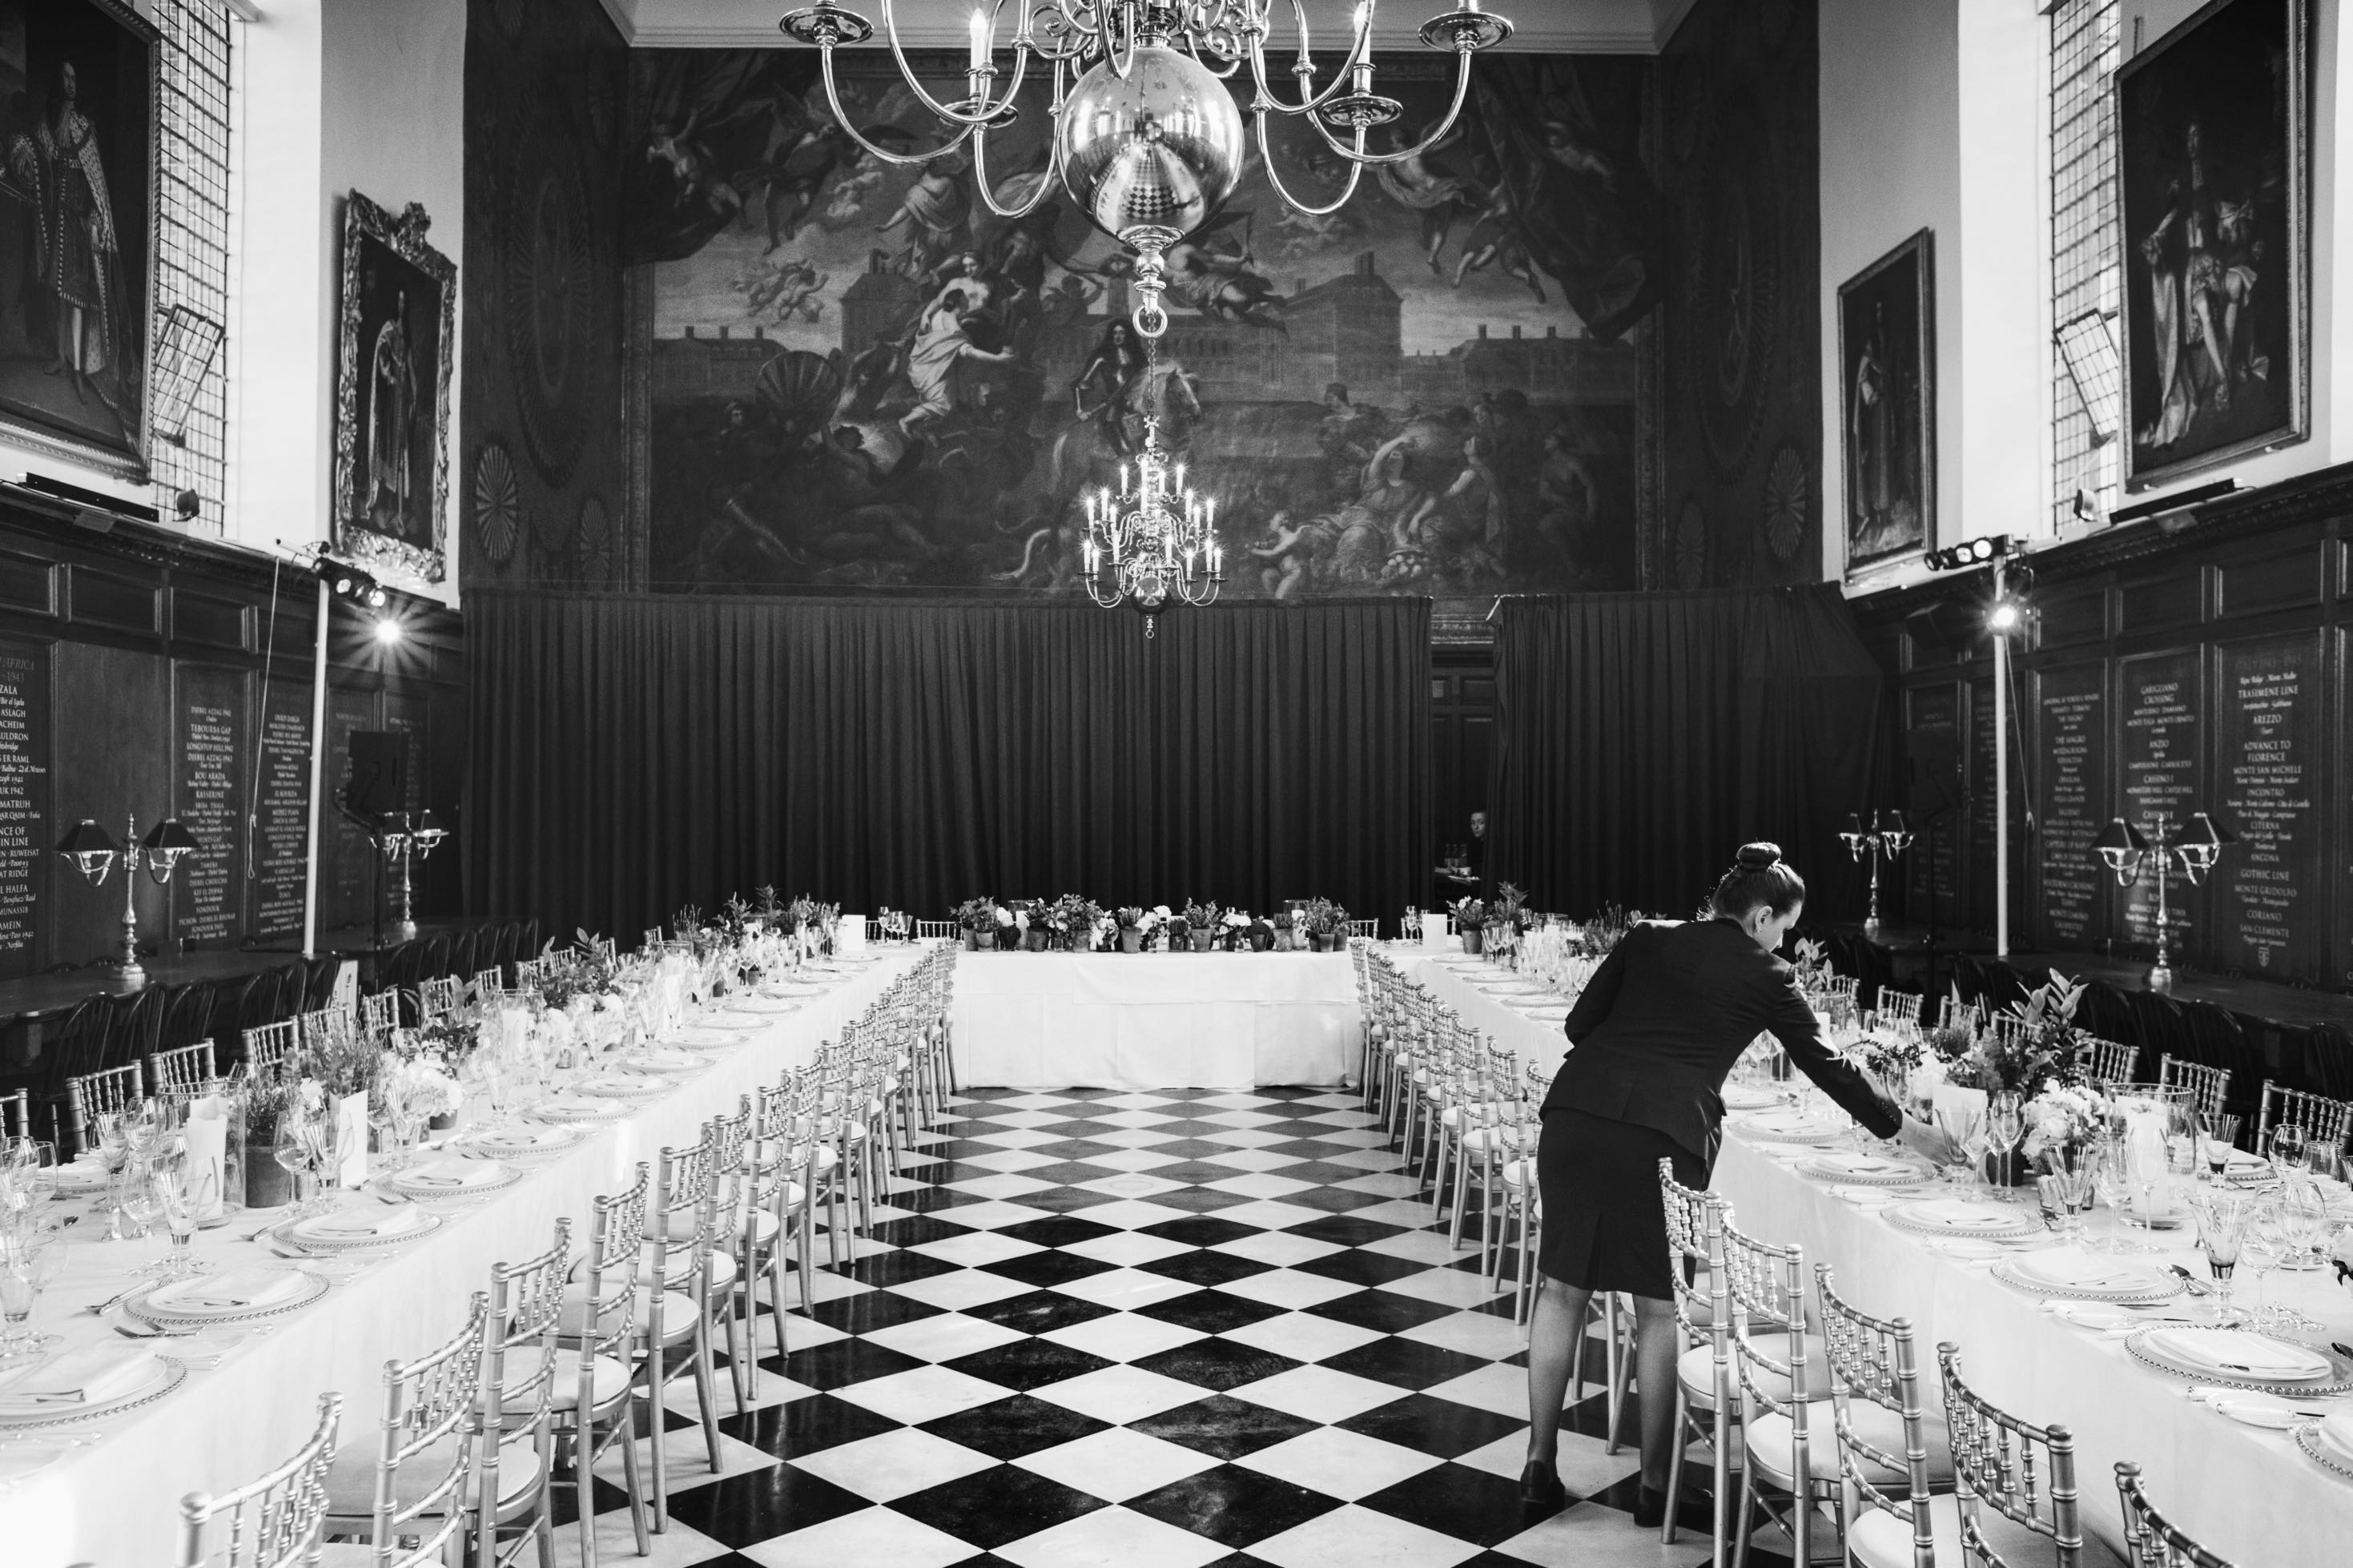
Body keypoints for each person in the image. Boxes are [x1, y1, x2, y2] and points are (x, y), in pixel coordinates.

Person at [1519, 842, 1948, 1523]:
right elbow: (1828, 1066)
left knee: (1562, 1288)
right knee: (1658, 1307)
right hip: (1663, 1136)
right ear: (1760, 919)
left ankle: (1538, 1466)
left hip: (1575, 1119)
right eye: (1786, 928)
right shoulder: (1766, 973)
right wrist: (1906, 1131)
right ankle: (1655, 1489)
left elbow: (1578, 1025)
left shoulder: (1647, 938)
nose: (1787, 941)